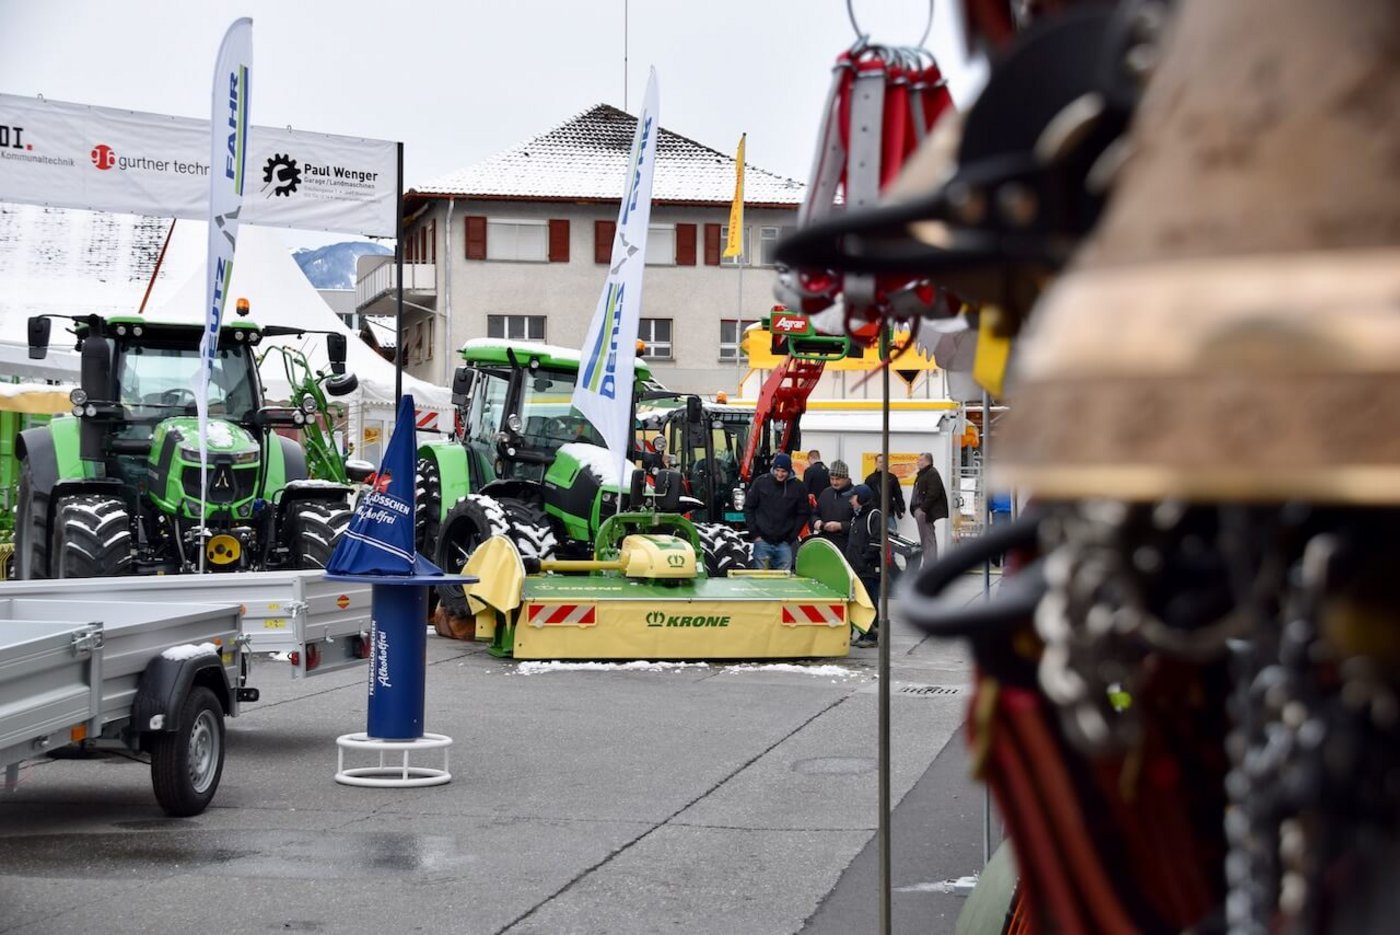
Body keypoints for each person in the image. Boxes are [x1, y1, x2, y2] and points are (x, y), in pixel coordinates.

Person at [743, 452, 809, 571]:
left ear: (789, 471)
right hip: (762, 541)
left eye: (783, 471)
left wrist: (791, 537)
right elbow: (748, 507)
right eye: (777, 470)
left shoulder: (799, 487)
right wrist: (755, 534)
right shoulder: (761, 482)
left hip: (785, 543)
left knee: (784, 579)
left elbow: (803, 513)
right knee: (760, 580)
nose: (780, 474)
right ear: (773, 469)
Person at [844, 484, 884, 648]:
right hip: (856, 569)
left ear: (860, 498)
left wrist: (863, 559)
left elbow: (876, 543)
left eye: (852, 497)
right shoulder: (857, 517)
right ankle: (862, 632)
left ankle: (871, 635)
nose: (850, 501)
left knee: (870, 602)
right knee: (858, 602)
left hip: (868, 570)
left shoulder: (874, 516)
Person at [911, 451, 949, 568]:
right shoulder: (924, 473)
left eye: (920, 460)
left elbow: (933, 493)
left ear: (927, 461)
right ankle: (929, 563)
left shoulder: (931, 473)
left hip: (925, 512)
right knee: (926, 539)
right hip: (921, 511)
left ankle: (930, 565)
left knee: (928, 540)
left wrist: (923, 509)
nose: (918, 462)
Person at [814, 459, 855, 551]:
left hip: (847, 545)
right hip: (825, 543)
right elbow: (815, 514)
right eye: (832, 479)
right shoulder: (826, 493)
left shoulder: (855, 495)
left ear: (846, 478)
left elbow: (861, 525)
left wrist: (841, 526)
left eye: (838, 479)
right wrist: (816, 522)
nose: (834, 482)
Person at [864, 454, 906, 533]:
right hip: (874, 513)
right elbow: (866, 497)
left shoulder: (892, 478)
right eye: (880, 462)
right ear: (876, 463)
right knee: (875, 536)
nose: (882, 464)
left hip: (888, 513)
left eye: (884, 462)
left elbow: (898, 494)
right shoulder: (869, 479)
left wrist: (902, 508)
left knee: (893, 536)